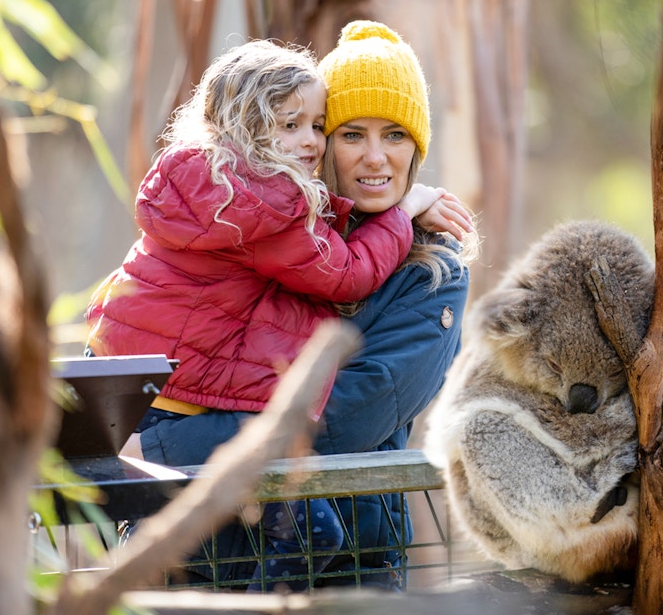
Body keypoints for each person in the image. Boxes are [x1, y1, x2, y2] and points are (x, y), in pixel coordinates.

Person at [85, 36, 470, 590]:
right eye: (351, 135)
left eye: (395, 136)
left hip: (339, 570)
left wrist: (163, 449)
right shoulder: (257, 224)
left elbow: (351, 411)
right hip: (194, 551)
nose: (375, 156)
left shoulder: (429, 274)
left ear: (417, 150)